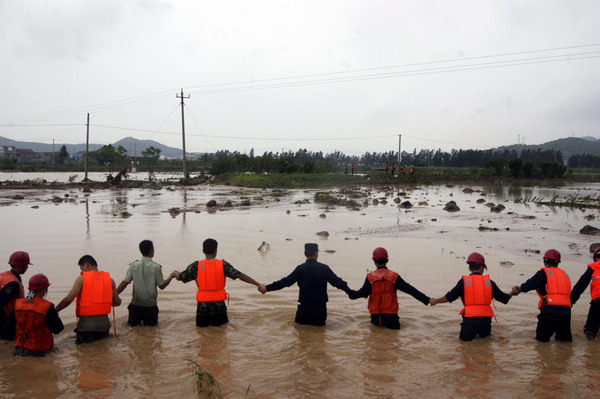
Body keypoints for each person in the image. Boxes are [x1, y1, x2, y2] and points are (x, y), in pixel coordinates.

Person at [172, 238, 262, 327]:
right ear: (216, 251)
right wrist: (257, 284)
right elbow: (241, 276)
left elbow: (181, 277)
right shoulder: (223, 265)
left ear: (203, 251)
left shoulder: (196, 266)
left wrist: (175, 274)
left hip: (203, 309)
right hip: (219, 308)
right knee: (221, 332)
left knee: (202, 334)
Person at [258, 243, 351, 326]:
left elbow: (285, 282)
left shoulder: (300, 269)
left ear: (305, 253)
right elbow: (338, 282)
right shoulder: (324, 268)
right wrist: (349, 292)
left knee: (301, 337)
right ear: (316, 253)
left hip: (304, 309)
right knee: (319, 338)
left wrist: (267, 288)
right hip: (320, 310)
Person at [430, 252, 512, 341]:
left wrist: (436, 301)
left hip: (469, 320)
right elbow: (505, 299)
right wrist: (513, 292)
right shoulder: (489, 283)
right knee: (484, 344)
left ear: (469, 268)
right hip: (485, 321)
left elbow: (449, 297)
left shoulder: (464, 282)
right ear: (482, 268)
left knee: (464, 345)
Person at [347, 247, 431, 330]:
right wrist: (427, 300)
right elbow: (410, 290)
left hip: (376, 316)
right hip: (391, 316)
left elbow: (362, 293)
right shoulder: (394, 277)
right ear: (387, 261)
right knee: (393, 339)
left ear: (374, 261)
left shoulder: (370, 277)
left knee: (376, 339)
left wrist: (349, 292)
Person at [55, 255, 121, 344]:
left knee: (82, 352)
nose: (81, 271)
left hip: (86, 327)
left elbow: (68, 300)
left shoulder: (81, 279)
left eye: (81, 269)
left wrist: (55, 310)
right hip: (104, 326)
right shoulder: (110, 280)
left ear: (86, 265)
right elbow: (117, 302)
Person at [511, 249, 572, 342]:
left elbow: (529, 285)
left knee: (541, 342)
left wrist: (518, 289)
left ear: (544, 262)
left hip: (549, 311)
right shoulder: (565, 274)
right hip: (566, 312)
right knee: (564, 342)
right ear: (558, 263)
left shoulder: (543, 273)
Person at [3, 274, 64, 357]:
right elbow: (58, 329)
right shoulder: (47, 307)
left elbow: (8, 328)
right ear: (44, 289)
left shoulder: (18, 304)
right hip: (39, 351)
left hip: (18, 349)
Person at [117, 240, 174, 327]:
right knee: (151, 332)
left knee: (133, 330)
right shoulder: (156, 267)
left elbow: (124, 283)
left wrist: (114, 295)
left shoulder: (133, 265)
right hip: (150, 307)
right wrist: (171, 276)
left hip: (135, 306)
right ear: (151, 250)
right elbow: (162, 286)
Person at [0, 251, 32, 340]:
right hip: (5, 321)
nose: (27, 267)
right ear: (19, 266)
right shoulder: (13, 284)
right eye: (25, 265)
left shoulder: (4, 276)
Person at [570, 247, 600, 341]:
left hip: (598, 302)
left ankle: (590, 351)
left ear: (596, 258)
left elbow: (580, 286)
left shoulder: (594, 266)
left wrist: (571, 301)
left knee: (589, 331)